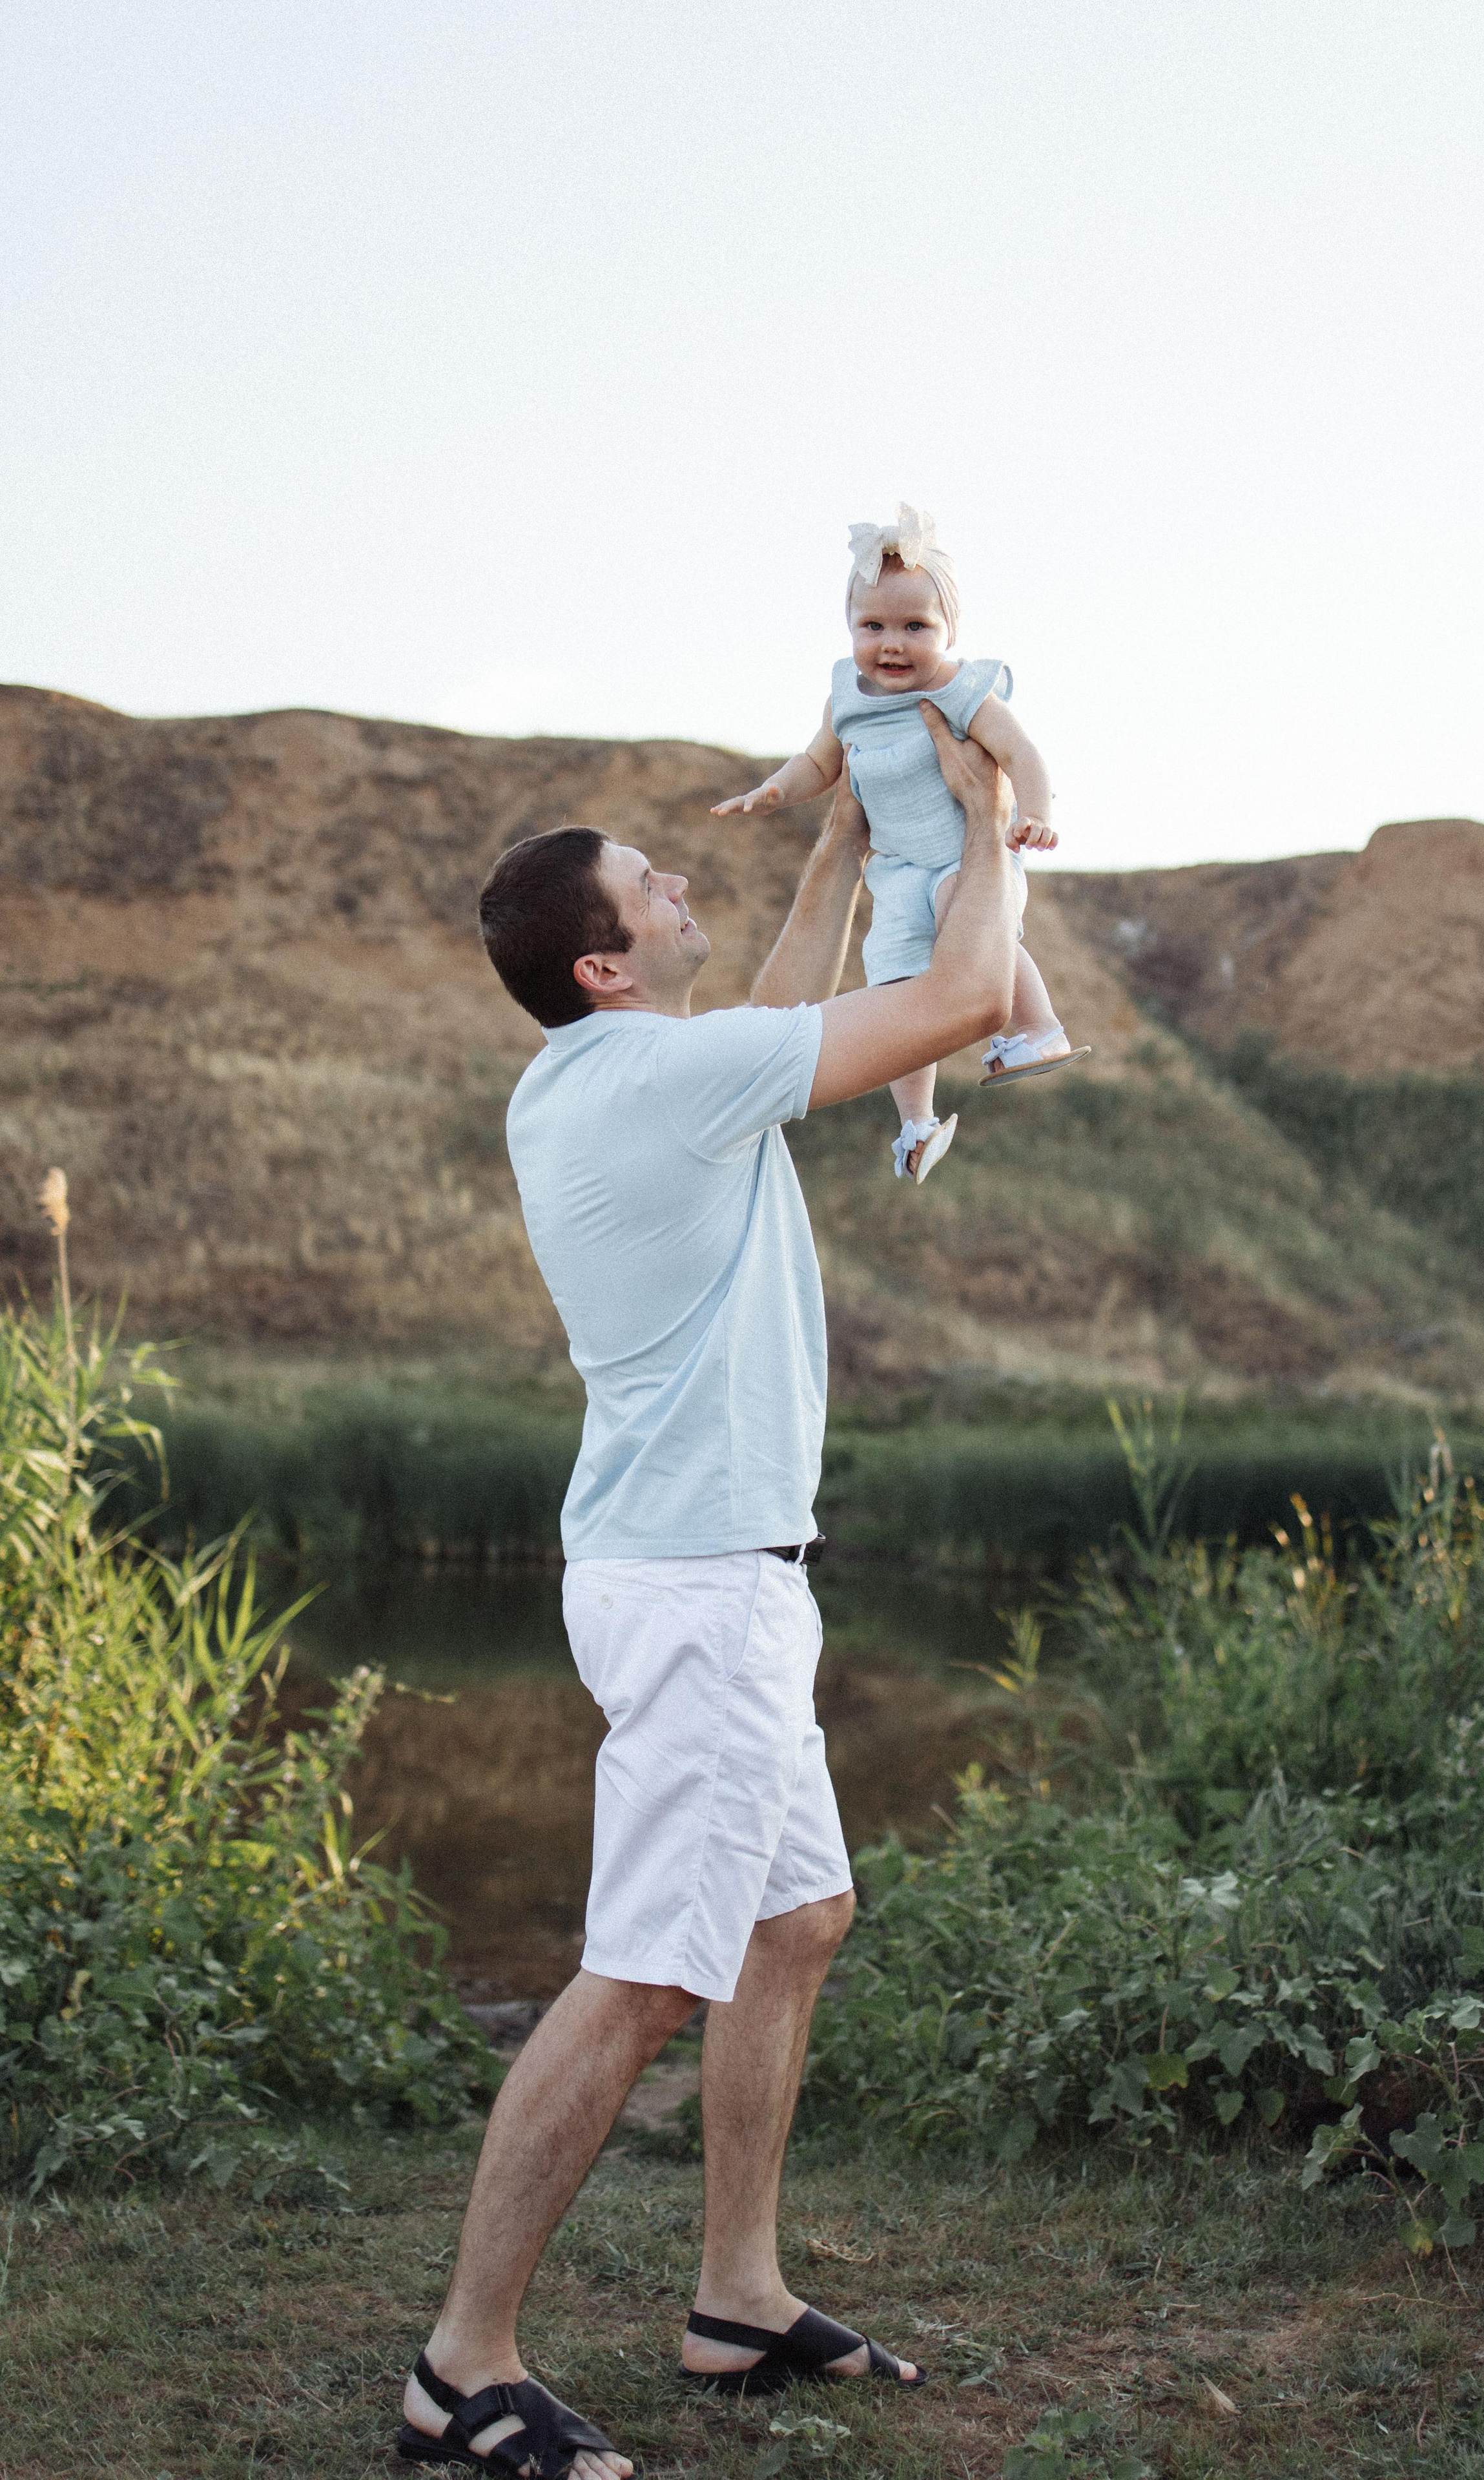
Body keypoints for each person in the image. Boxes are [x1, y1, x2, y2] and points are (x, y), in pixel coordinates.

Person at [395, 707, 1021, 2479]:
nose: (679, 877)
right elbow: (967, 1003)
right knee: (642, 1976)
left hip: (708, 1569)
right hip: (699, 1595)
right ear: (606, 962)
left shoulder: (597, 1075)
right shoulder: (662, 1078)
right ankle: (462, 2368)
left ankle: (733, 2296)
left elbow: (754, 1025)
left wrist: (828, 848)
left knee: (791, 1923)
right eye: (649, 883)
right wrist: (979, 816)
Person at [712, 504, 1089, 1184]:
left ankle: (1038, 1028)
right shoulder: (845, 697)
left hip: (964, 860)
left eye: (916, 627)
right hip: (895, 873)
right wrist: (772, 790)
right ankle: (916, 1122)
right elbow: (818, 764)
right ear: (849, 628)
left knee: (965, 927)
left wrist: (1033, 814)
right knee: (898, 987)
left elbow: (1022, 753)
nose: (892, 643)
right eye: (873, 626)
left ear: (949, 632)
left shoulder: (961, 689)